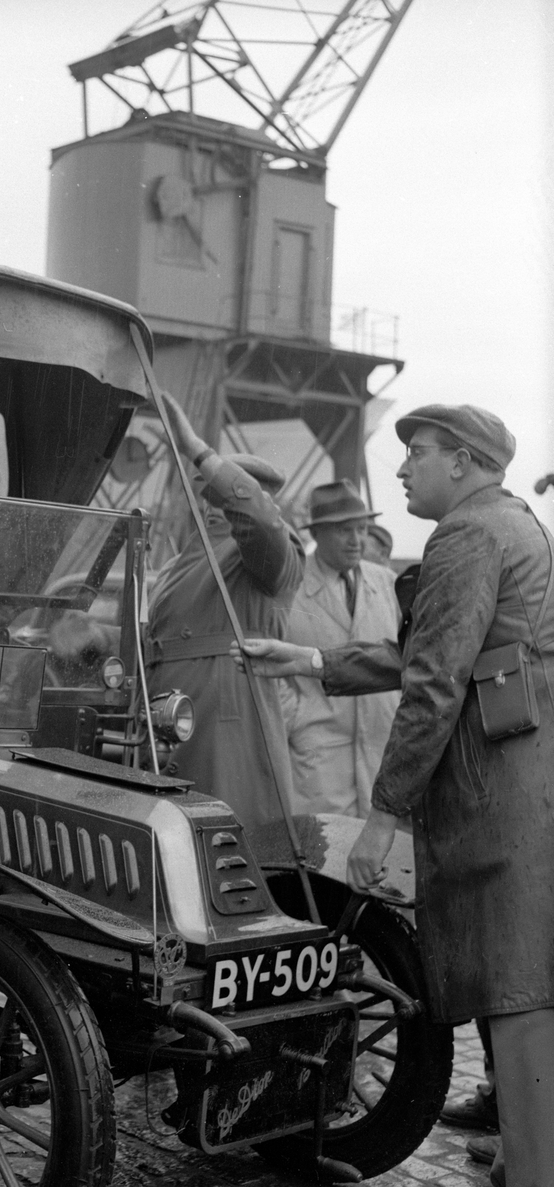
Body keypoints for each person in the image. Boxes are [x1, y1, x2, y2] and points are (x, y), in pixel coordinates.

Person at [236, 405, 554, 1187]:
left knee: (515, 985)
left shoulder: (469, 534)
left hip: (497, 792)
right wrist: (311, 656)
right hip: (524, 779)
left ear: (464, 459)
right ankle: (523, 1154)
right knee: (521, 978)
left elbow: (434, 682)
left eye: (418, 452)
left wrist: (384, 817)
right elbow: (430, 650)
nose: (404, 467)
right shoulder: (513, 522)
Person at [145, 393, 305, 827]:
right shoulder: (181, 563)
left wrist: (199, 451)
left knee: (227, 850)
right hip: (172, 728)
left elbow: (258, 523)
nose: (210, 501)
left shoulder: (271, 553)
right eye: (205, 490)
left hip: (228, 730)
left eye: (222, 491)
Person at [280, 480, 400, 817]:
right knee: (323, 856)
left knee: (382, 861)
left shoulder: (386, 583)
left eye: (362, 529)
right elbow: (268, 663)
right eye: (344, 530)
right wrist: (298, 719)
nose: (356, 540)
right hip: (318, 758)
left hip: (382, 753)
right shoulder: (290, 587)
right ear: (317, 533)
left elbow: (408, 656)